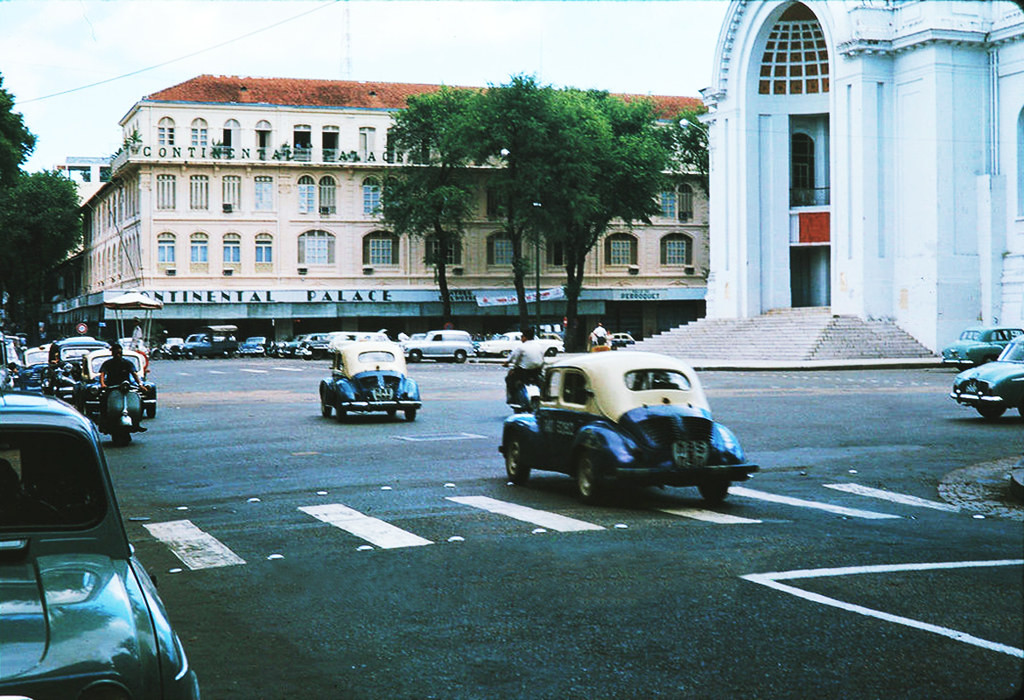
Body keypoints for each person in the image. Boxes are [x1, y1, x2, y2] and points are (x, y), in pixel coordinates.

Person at [503, 328, 546, 404]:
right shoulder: (540, 347)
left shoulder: (521, 347)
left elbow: (513, 359)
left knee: (509, 379)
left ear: (525, 337)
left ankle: (512, 398)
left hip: (524, 372)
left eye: (522, 337)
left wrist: (506, 363)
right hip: (537, 371)